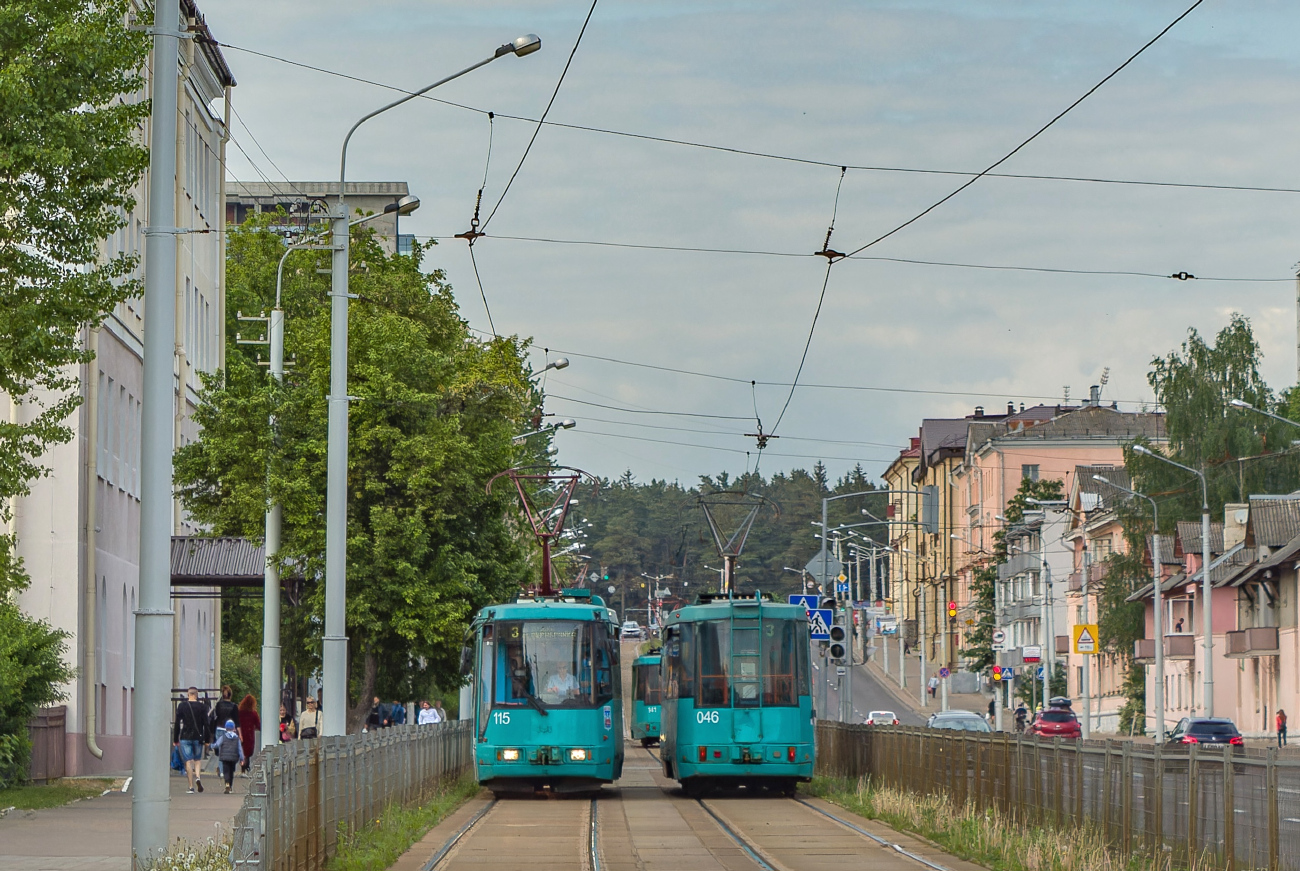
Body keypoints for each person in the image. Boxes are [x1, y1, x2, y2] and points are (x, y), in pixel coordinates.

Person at [173, 687, 211, 794]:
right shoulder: (202, 707)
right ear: (197, 694)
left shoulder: (182, 706)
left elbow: (177, 723)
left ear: (188, 694)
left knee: (188, 761)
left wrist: (176, 739)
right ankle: (198, 777)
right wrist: (207, 739)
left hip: (185, 736)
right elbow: (206, 724)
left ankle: (191, 787)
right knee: (197, 761)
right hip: (198, 737)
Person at [212, 719, 245, 794]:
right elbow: (240, 749)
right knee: (231, 772)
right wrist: (242, 759)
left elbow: (217, 745)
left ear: (226, 728)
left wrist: (211, 746)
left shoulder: (223, 737)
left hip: (225, 757)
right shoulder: (237, 738)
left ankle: (227, 784)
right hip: (233, 758)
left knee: (226, 771)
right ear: (234, 728)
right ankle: (230, 786)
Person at [237, 694, 260, 775]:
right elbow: (258, 724)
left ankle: (243, 768)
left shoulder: (239, 712)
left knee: (242, 751)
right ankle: (247, 766)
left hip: (241, 734)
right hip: (249, 734)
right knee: (248, 752)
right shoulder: (253, 713)